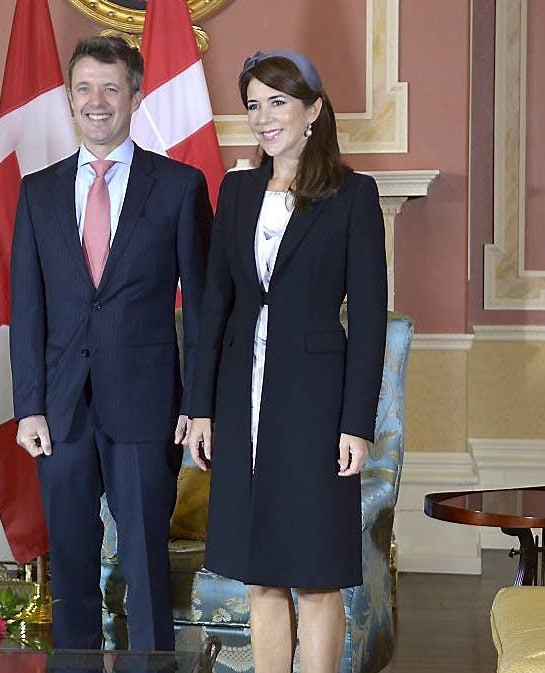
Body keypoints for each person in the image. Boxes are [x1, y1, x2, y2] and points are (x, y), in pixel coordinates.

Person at [182, 51, 387, 673]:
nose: (264, 117)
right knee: (260, 574)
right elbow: (214, 305)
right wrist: (200, 409)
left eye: (278, 102)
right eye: (253, 105)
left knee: (317, 575)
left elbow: (369, 320)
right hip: (241, 401)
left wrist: (356, 423)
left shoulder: (353, 194)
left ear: (313, 110)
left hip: (316, 408)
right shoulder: (237, 190)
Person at [10, 35, 213, 650]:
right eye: (84, 89)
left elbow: (203, 311)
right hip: (61, 410)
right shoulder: (37, 191)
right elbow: (28, 310)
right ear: (70, 98)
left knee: (146, 566)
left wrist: (197, 404)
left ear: (136, 96)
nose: (96, 101)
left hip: (148, 408)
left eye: (110, 88)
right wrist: (29, 406)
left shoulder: (178, 186)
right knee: (70, 569)